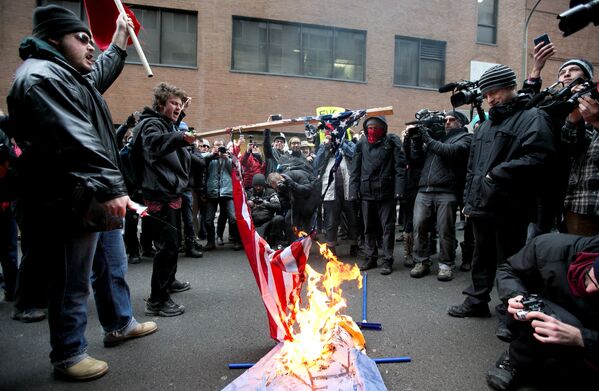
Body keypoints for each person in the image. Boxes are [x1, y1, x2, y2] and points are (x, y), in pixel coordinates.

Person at [7, 6, 157, 380]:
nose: (92, 47)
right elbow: (76, 139)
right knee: (71, 280)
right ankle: (69, 353)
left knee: (112, 265)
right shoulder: (41, 78)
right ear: (54, 38)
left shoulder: (70, 75)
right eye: (83, 38)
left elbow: (100, 72)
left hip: (90, 195)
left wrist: (120, 38)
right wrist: (112, 186)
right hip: (67, 200)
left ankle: (120, 323)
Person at [447, 65, 555, 325]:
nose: (490, 98)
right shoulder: (485, 126)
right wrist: (468, 201)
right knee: (480, 256)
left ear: (510, 87)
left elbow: (539, 157)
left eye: (494, 92)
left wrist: (497, 174)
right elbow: (473, 168)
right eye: (486, 94)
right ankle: (476, 301)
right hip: (482, 205)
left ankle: (512, 315)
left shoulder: (532, 117)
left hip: (511, 207)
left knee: (511, 263)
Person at [486, 233, 599, 390]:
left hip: (589, 333)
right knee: (537, 310)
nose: (592, 288)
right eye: (593, 279)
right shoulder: (549, 248)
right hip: (549, 309)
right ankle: (515, 360)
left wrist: (581, 337)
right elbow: (508, 270)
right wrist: (515, 296)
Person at [137, 82, 205, 316]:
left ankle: (169, 281)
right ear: (160, 104)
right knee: (166, 247)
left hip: (169, 193)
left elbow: (171, 128)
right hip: (159, 195)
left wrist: (181, 113)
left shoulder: (164, 123)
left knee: (172, 244)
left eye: (179, 104)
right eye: (173, 104)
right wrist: (181, 138)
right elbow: (157, 143)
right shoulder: (150, 125)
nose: (177, 108)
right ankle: (157, 300)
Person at [407, 111, 472, 281]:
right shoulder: (437, 138)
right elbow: (417, 160)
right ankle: (421, 261)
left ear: (461, 122)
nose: (447, 122)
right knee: (419, 226)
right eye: (446, 120)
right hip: (424, 189)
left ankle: (446, 264)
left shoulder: (465, 138)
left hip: (447, 190)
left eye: (452, 119)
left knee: (445, 230)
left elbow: (450, 151)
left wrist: (428, 139)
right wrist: (415, 141)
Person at [349, 116, 406, 275]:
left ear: (384, 128)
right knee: (368, 228)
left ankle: (387, 259)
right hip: (367, 193)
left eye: (376, 127)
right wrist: (353, 192)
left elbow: (400, 168)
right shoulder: (361, 144)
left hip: (386, 193)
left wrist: (399, 190)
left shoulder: (391, 142)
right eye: (370, 127)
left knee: (387, 228)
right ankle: (371, 256)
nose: (372, 130)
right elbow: (355, 170)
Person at [315, 130, 359, 256]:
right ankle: (331, 247)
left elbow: (355, 154)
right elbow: (316, 163)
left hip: (348, 189)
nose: (333, 136)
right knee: (331, 221)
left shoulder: (348, 143)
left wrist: (341, 143)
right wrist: (326, 147)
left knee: (352, 220)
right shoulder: (324, 146)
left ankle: (354, 245)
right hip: (330, 190)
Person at [203, 139, 241, 251]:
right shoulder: (209, 157)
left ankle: (236, 240)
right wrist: (211, 155)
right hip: (212, 192)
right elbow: (202, 163)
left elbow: (235, 171)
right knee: (208, 219)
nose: (218, 148)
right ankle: (211, 242)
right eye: (216, 146)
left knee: (233, 218)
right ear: (212, 147)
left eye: (220, 146)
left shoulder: (228, 158)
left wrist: (226, 158)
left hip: (227, 192)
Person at [267, 169, 319, 241]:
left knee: (306, 218)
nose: (278, 187)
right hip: (297, 202)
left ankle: (309, 240)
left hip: (310, 197)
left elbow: (308, 189)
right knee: (288, 220)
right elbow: (284, 202)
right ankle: (293, 243)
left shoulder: (297, 174)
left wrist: (293, 185)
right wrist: (283, 192)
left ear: (281, 179)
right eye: (276, 187)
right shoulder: (280, 188)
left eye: (278, 185)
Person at [246, 173, 284, 247]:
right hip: (254, 222)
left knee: (279, 218)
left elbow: (277, 206)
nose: (258, 188)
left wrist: (265, 203)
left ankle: (277, 241)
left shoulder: (271, 192)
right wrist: (249, 205)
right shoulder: (249, 193)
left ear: (264, 185)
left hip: (268, 221)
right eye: (256, 186)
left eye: (260, 186)